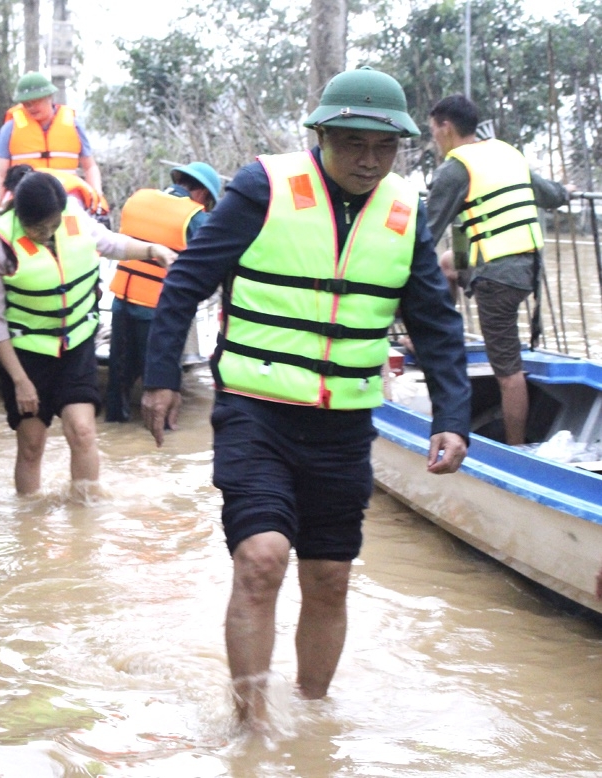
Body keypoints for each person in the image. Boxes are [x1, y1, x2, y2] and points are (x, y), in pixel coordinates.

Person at [140, 67, 472, 731]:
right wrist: (160, 377)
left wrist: (452, 418)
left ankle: (313, 727)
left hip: (344, 425)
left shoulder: (404, 212)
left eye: (385, 148)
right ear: (320, 133)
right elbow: (186, 283)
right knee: (261, 559)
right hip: (255, 414)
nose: (369, 161)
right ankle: (251, 729)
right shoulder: (262, 187)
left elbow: (434, 323)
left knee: (329, 578)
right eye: (353, 143)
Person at [0, 171, 175, 495]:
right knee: (31, 444)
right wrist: (20, 381)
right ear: (19, 217)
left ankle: (86, 524)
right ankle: (29, 530)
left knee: (82, 431)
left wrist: (154, 250)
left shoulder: (73, 216)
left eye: (52, 225)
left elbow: (111, 244)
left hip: (76, 346)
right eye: (38, 229)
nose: (47, 234)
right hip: (26, 357)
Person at [426, 94, 575, 445]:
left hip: (497, 278)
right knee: (449, 264)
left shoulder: (454, 168)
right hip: (526, 267)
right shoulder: (507, 152)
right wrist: (566, 192)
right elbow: (549, 194)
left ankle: (516, 447)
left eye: (433, 130)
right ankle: (448, 335)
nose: (433, 137)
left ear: (446, 127)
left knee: (508, 373)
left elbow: (426, 232)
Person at [104, 162, 222, 422]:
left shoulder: (138, 198)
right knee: (160, 384)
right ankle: (163, 444)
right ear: (202, 193)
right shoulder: (195, 216)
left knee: (118, 381)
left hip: (122, 300)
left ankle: (115, 428)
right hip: (159, 311)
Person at [0, 72, 103, 214]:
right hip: (25, 196)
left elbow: (90, 167)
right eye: (26, 103)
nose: (31, 107)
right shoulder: (10, 128)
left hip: (67, 195)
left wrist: (97, 197)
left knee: (78, 226)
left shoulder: (73, 125)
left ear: (50, 97)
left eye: (36, 101)